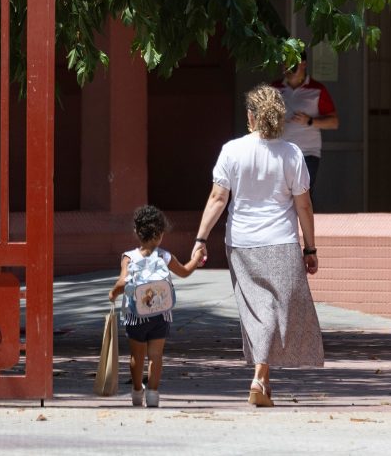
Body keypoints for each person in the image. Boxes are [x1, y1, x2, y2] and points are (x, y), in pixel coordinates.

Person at [192, 84, 324, 407]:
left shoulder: (231, 151)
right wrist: (310, 248)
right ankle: (259, 378)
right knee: (275, 311)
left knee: (256, 310)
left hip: (242, 244)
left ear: (251, 117)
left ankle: (262, 380)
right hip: (281, 242)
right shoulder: (292, 153)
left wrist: (200, 238)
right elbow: (304, 206)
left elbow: (217, 198)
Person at [109, 205, 205, 408]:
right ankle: (152, 393)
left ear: (136, 232)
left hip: (136, 316)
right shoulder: (164, 256)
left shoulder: (128, 257)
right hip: (161, 314)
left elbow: (122, 282)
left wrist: (112, 294)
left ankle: (136, 391)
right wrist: (196, 259)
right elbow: (186, 271)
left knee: (137, 356)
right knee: (156, 356)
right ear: (161, 234)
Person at [272, 51, 339, 195]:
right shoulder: (274, 88)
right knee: (279, 194)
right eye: (285, 64)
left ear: (303, 64)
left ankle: (306, 218)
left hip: (308, 152)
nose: (288, 68)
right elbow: (261, 118)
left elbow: (333, 122)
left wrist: (309, 120)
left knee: (303, 194)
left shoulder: (317, 89)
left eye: (292, 64)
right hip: (278, 151)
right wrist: (275, 120)